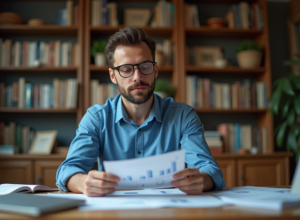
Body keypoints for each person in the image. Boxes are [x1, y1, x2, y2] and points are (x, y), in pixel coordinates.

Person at [56, 27, 225, 197]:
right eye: (126, 69)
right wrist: (83, 183)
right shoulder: (96, 119)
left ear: (155, 70)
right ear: (113, 76)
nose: (137, 77)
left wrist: (202, 180)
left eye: (145, 66)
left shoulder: (183, 116)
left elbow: (209, 169)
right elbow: (68, 170)